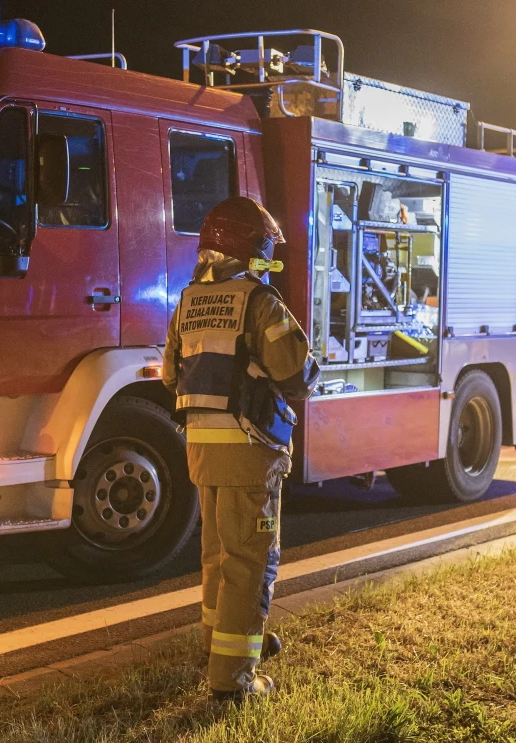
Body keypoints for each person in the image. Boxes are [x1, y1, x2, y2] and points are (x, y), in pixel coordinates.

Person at [162, 196, 320, 701]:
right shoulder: (259, 301)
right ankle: (233, 679)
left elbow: (170, 375)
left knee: (217, 557)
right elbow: (296, 373)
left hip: (202, 453)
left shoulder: (187, 301)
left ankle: (223, 646)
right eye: (263, 248)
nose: (266, 256)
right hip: (250, 453)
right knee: (250, 563)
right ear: (246, 249)